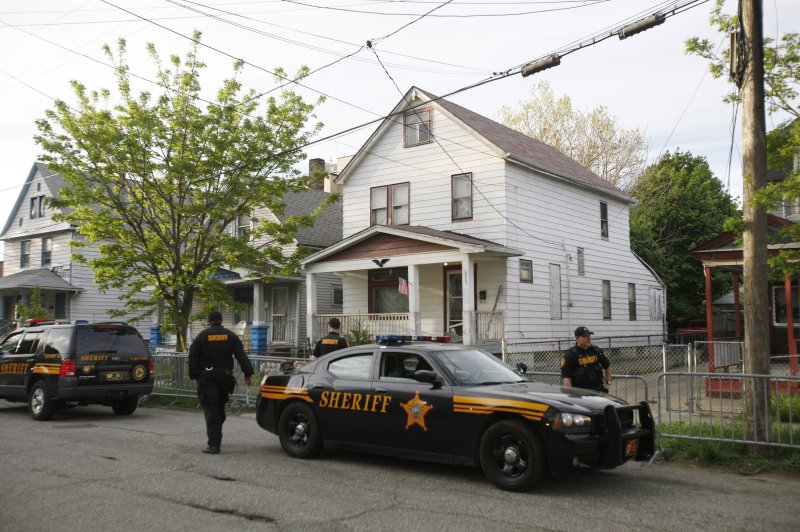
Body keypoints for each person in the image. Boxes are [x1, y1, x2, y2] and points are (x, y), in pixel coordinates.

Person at [188, 311, 254, 454]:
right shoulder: (230, 336)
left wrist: (195, 376)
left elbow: (193, 357)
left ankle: (214, 445)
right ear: (221, 320)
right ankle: (216, 430)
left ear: (209, 321)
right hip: (225, 377)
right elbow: (241, 355)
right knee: (219, 408)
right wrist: (248, 373)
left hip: (207, 377)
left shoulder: (202, 336)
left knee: (211, 410)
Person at [560, 326, 612, 392]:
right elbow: (567, 379)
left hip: (599, 392)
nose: (589, 338)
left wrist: (608, 383)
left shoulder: (596, 351)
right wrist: (571, 397)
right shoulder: (570, 355)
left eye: (589, 335)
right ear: (577, 338)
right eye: (585, 336)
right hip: (580, 395)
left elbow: (607, 366)